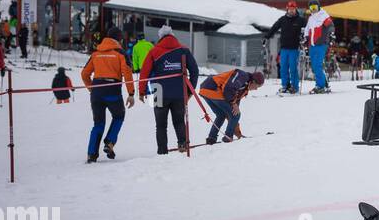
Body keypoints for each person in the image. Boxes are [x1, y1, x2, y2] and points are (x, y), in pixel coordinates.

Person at [139, 25, 199, 155]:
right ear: (173, 35)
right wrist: (190, 91)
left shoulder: (154, 52)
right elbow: (194, 71)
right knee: (178, 121)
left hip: (158, 91)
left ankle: (162, 151)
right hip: (179, 91)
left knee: (160, 125)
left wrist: (141, 91)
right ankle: (182, 144)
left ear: (160, 37)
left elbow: (144, 73)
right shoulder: (184, 50)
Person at [80, 27, 135, 163]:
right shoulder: (120, 53)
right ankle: (109, 142)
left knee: (98, 123)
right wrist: (131, 93)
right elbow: (127, 72)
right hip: (112, 90)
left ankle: (91, 154)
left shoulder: (96, 53)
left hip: (97, 90)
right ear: (119, 39)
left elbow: (84, 74)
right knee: (119, 115)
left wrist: (91, 89)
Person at [199, 69, 264, 144]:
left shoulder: (244, 89)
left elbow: (233, 114)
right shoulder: (242, 76)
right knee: (235, 114)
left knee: (221, 115)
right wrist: (233, 103)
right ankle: (228, 137)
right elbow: (228, 88)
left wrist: (238, 133)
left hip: (206, 91)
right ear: (253, 81)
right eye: (257, 86)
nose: (256, 89)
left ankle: (211, 138)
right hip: (213, 88)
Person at [264, 1, 304, 94]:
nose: (291, 11)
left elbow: (308, 29)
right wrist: (267, 37)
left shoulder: (300, 20)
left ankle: (295, 87)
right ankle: (285, 85)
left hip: (294, 48)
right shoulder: (283, 19)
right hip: (284, 48)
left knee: (293, 68)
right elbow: (274, 28)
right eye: (290, 9)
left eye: (293, 9)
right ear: (287, 9)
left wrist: (304, 38)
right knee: (283, 68)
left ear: (296, 9)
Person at [304, 1, 334, 93]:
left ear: (319, 7)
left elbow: (330, 25)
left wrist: (332, 34)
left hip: (321, 44)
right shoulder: (310, 18)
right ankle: (324, 84)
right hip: (312, 45)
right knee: (314, 66)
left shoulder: (323, 15)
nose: (313, 10)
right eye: (311, 8)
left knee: (318, 65)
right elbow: (307, 29)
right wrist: (305, 38)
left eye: (315, 7)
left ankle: (320, 86)